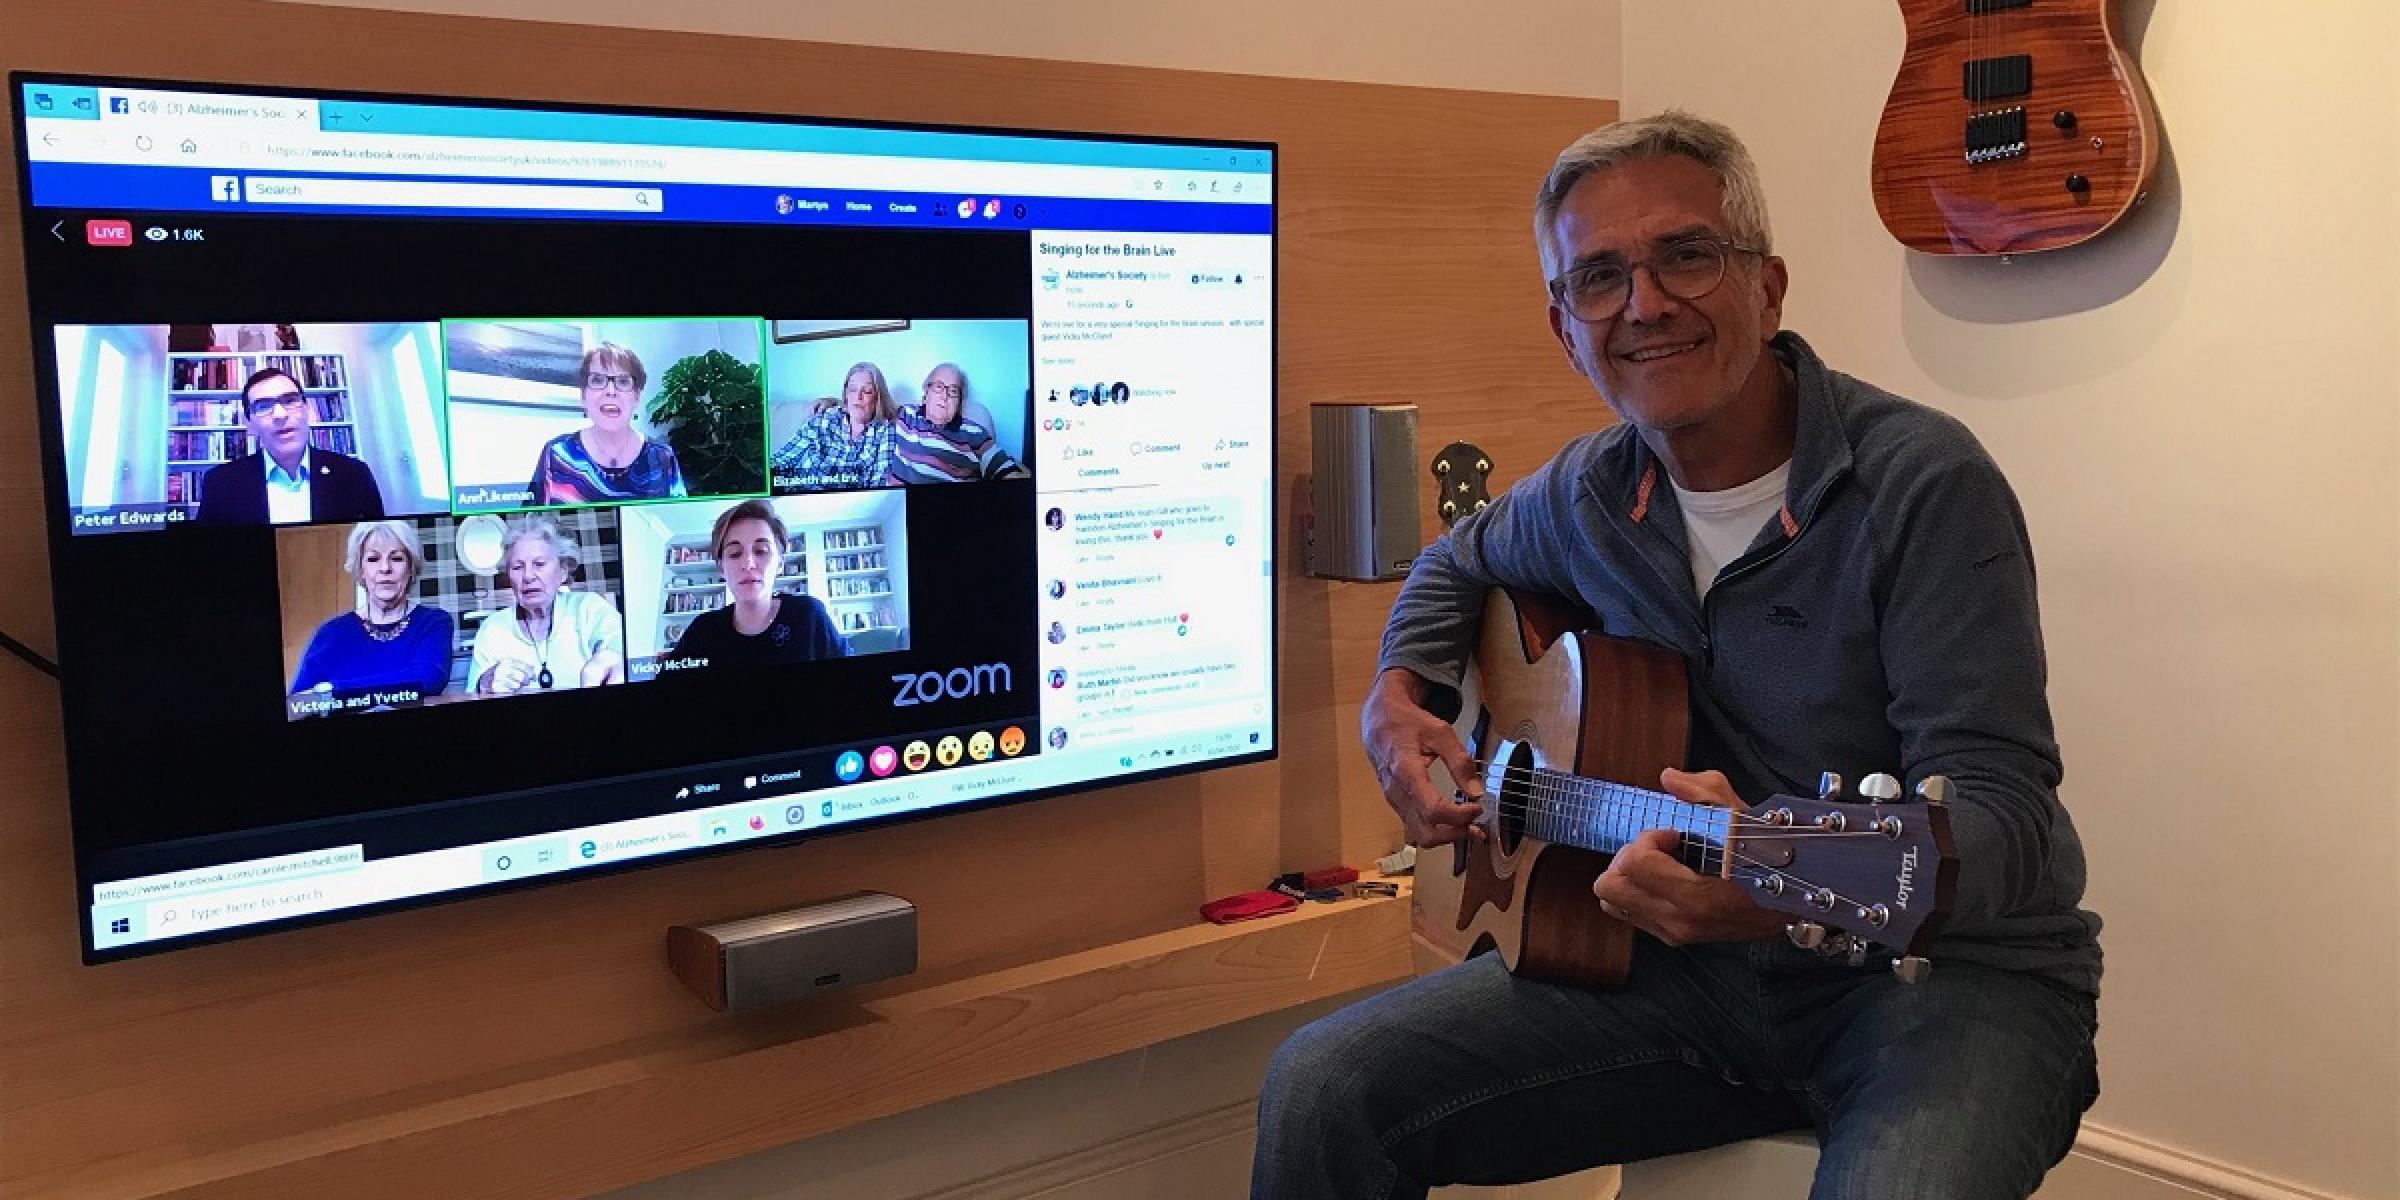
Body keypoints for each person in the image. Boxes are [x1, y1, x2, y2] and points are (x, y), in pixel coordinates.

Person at [1252, 112, 2101, 1200]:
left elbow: (2006, 824)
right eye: (1598, 277)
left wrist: (1776, 880)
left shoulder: (1922, 484)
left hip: (1948, 989)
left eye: (1686, 256)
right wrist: (1395, 700)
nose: (1645, 304)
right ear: (1566, 330)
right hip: (1690, 982)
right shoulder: (1589, 492)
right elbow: (1455, 561)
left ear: (1768, 286)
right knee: (1323, 1086)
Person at [668, 499, 849, 667]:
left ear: (780, 563)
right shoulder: (703, 631)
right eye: (735, 553)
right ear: (721, 567)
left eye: (761, 551)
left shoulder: (809, 615)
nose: (748, 564)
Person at [288, 520, 454, 702]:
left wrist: (333, 691)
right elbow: (297, 702)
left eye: (396, 558)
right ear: (361, 571)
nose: (385, 568)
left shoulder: (435, 622)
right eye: (373, 559)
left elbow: (428, 679)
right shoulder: (332, 633)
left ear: (411, 569)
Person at [197, 367, 385, 525]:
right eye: (263, 406)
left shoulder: (354, 474)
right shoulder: (219, 482)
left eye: (290, 401)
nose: (280, 414)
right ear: (250, 425)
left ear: (307, 410)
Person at [467, 515, 625, 694]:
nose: (528, 576)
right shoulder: (492, 629)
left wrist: (614, 658)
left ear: (563, 571)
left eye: (539, 564)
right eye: (517, 567)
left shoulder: (589, 609)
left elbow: (620, 646)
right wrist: (485, 684)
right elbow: (471, 696)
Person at [524, 344, 688, 506]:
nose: (611, 391)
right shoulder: (558, 454)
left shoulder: (662, 456)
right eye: (597, 380)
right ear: (583, 395)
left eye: (623, 381)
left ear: (636, 396)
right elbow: (529, 523)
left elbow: (680, 518)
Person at [887, 363, 1029, 484]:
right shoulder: (904, 414)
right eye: (939, 387)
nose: (945, 396)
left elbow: (1006, 470)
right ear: (926, 393)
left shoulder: (974, 433)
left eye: (953, 391)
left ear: (959, 402)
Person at [770, 362, 898, 491]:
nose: (858, 397)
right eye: (853, 389)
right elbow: (781, 461)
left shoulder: (885, 432)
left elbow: (880, 487)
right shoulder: (824, 419)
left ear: (878, 398)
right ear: (846, 394)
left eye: (867, 391)